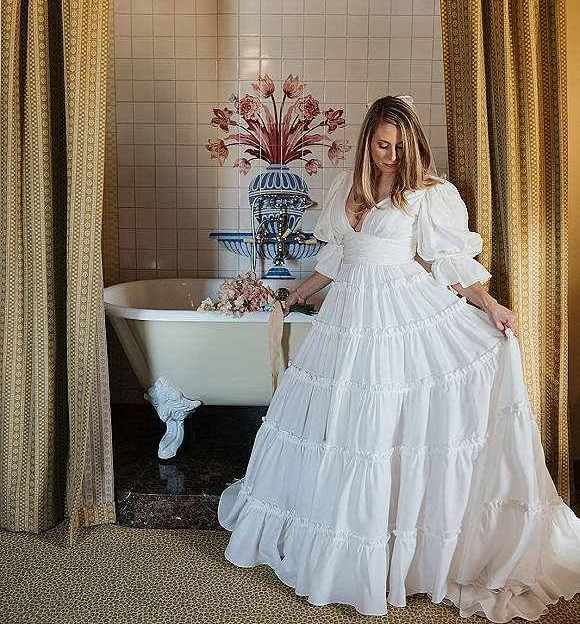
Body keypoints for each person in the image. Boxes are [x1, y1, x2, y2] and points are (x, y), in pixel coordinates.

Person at [218, 95, 580, 620]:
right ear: (368, 141)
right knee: (342, 425)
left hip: (399, 307)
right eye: (382, 144)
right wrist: (298, 293)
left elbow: (451, 264)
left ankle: (397, 549)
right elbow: (339, 258)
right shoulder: (347, 188)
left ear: (413, 144)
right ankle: (344, 535)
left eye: (399, 145)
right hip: (346, 316)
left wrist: (492, 304)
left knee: (387, 422)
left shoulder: (428, 193)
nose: (390, 154)